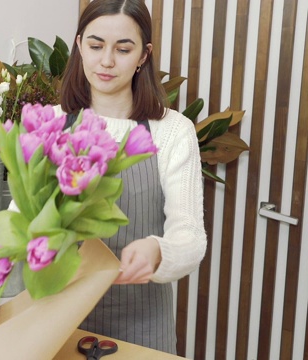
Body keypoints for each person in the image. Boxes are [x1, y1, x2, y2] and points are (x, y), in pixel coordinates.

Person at [60, 0, 206, 353]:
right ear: (79, 45)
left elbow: (190, 235)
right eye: (95, 46)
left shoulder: (172, 131)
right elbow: (22, 217)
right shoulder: (53, 124)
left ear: (144, 55)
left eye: (123, 49)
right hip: (58, 316)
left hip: (142, 324)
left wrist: (158, 249)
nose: (107, 61)